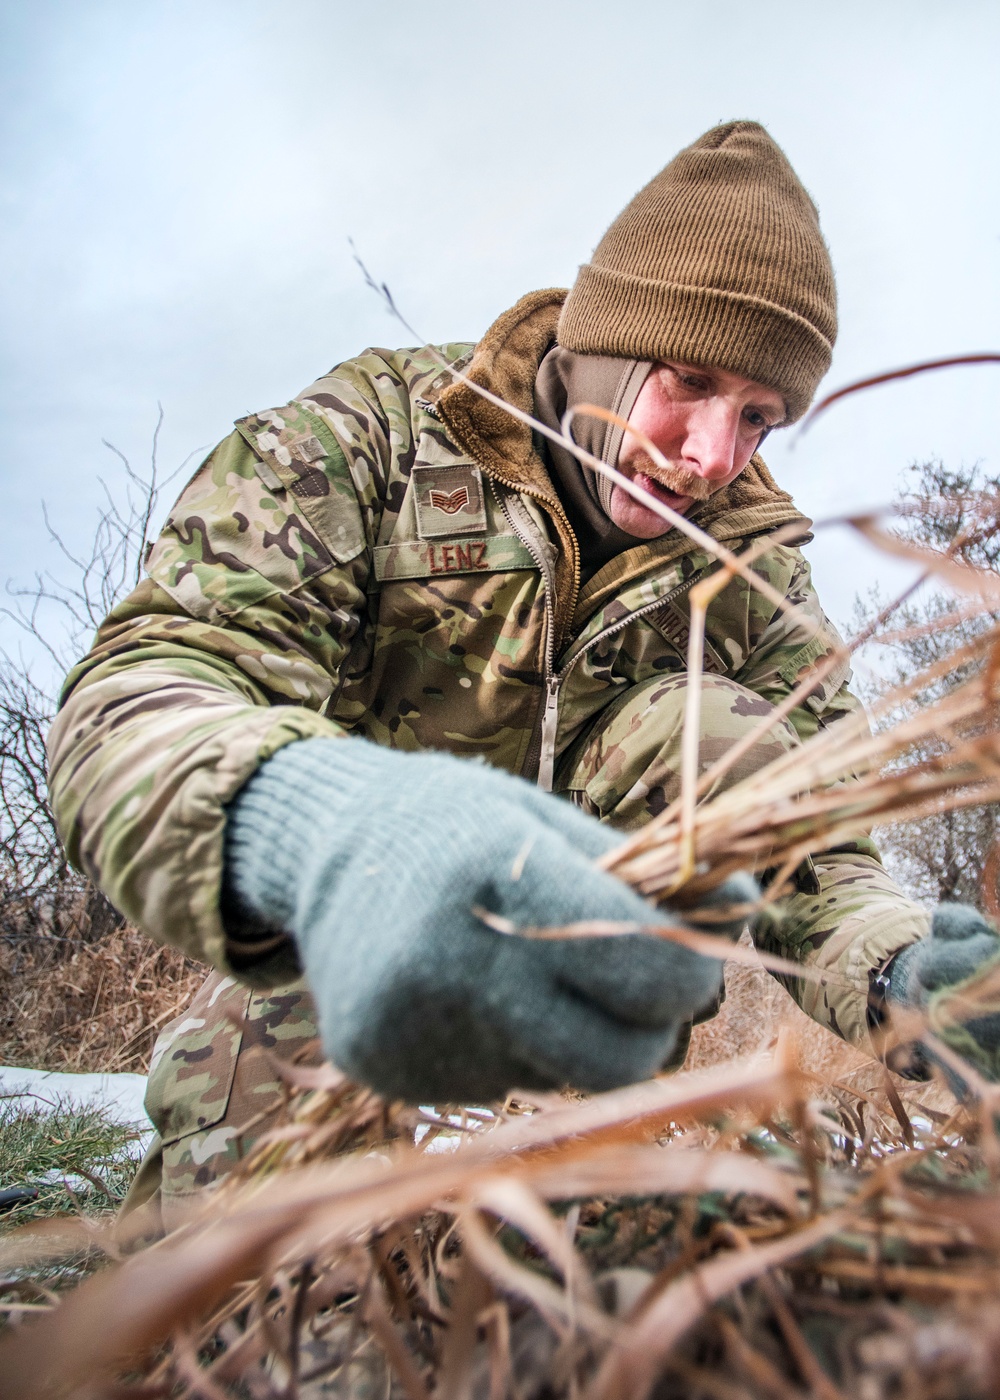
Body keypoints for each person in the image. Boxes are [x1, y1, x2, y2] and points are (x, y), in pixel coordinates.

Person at [46, 121, 998, 1229]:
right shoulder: (374, 437)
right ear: (605, 344)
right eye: (687, 382)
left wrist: (897, 971)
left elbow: (818, 829)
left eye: (758, 417)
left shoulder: (749, 570)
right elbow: (141, 693)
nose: (711, 455)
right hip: (326, 993)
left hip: (593, 1033)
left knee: (708, 724)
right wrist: (325, 830)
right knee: (236, 1327)